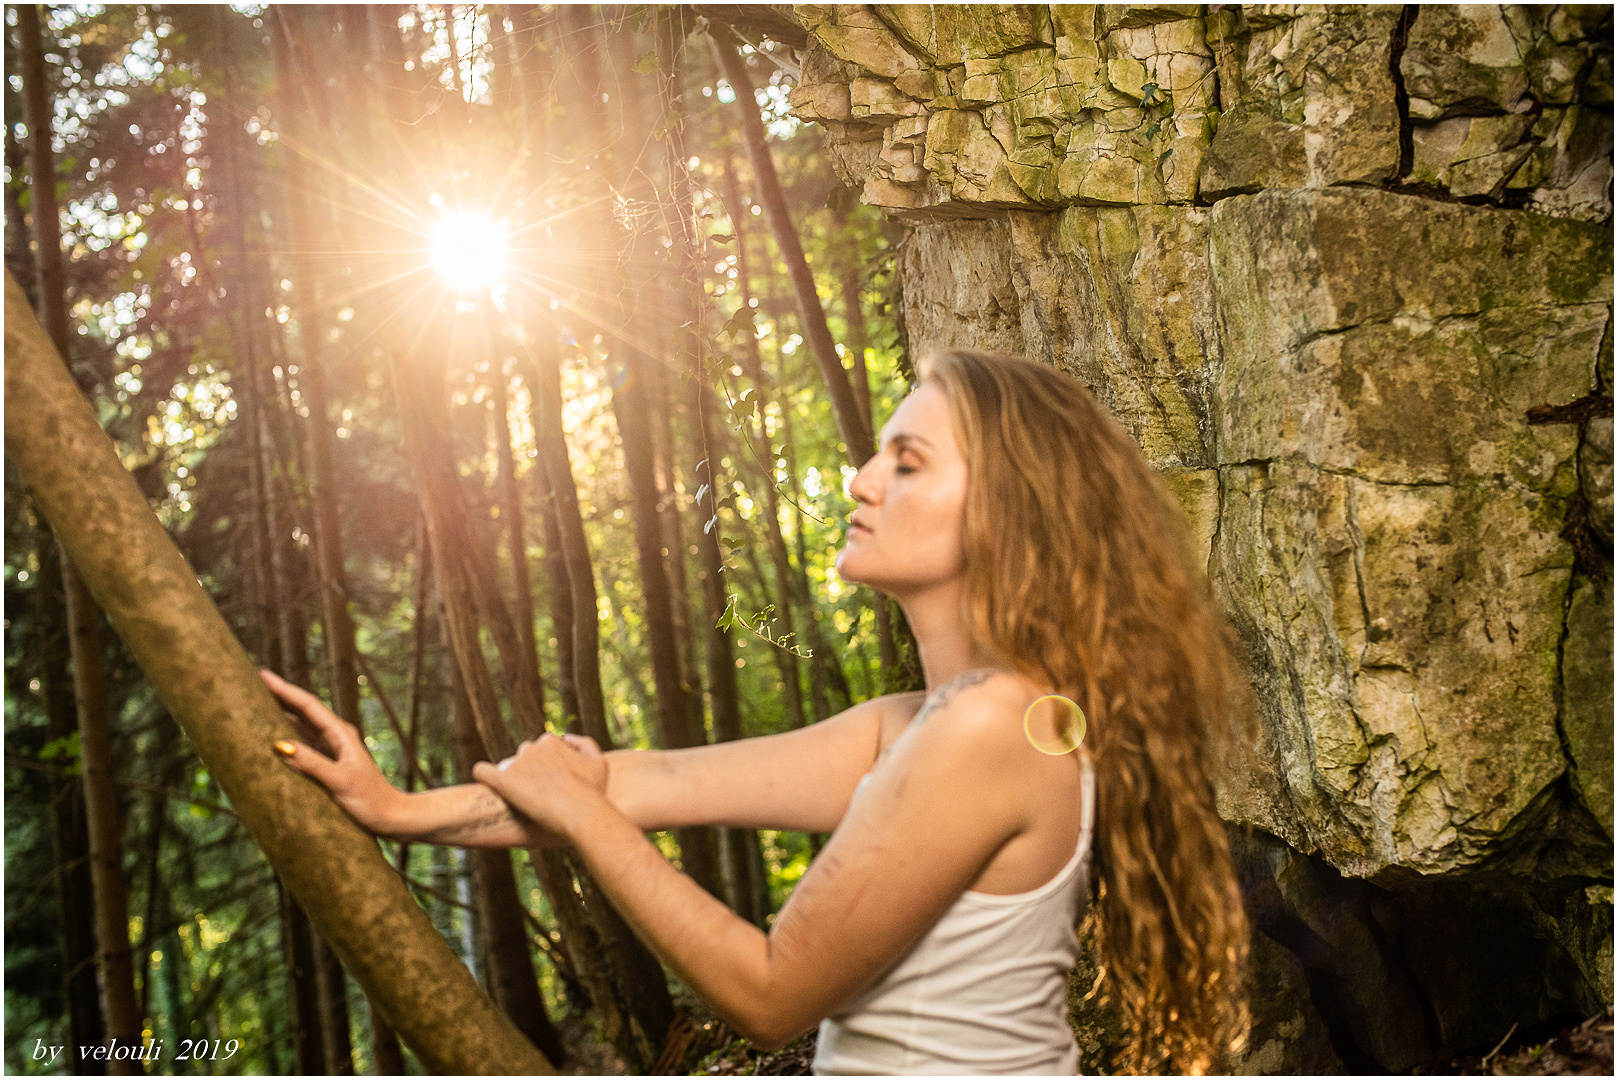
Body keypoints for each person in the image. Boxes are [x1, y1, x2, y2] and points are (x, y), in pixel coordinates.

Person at [267, 347, 1254, 1075]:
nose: (861, 481)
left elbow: (770, 994)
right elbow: (641, 781)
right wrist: (396, 807)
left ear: (1006, 508)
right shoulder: (917, 723)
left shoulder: (991, 728)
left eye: (908, 462)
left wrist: (585, 813)